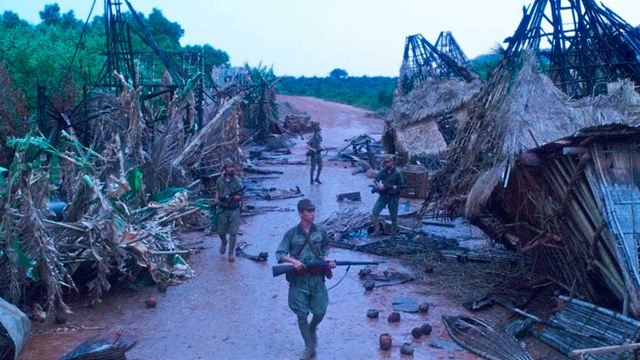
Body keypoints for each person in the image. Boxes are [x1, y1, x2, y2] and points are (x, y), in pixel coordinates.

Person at [276, 199, 336, 360]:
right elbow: (279, 254)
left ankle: (313, 327)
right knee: (301, 314)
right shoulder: (291, 233)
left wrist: (328, 260)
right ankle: (309, 346)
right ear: (301, 213)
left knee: (320, 311)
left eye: (313, 211)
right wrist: (294, 261)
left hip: (317, 278)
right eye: (308, 211)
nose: (312, 214)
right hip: (299, 280)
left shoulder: (321, 231)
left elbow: (325, 249)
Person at [215, 158, 244, 262]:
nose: (232, 169)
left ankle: (231, 253)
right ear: (225, 169)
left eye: (233, 167)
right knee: (220, 231)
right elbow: (218, 190)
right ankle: (223, 242)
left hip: (234, 209)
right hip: (222, 209)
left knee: (233, 233)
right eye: (229, 167)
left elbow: (241, 196)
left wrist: (231, 198)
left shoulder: (238, 181)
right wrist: (217, 199)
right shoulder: (220, 180)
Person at [371, 154, 404, 236]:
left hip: (393, 197)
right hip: (383, 196)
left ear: (392, 162)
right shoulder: (383, 171)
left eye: (388, 162)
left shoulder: (397, 174)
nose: (387, 164)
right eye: (385, 162)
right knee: (375, 211)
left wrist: (396, 188)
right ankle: (377, 230)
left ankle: (393, 234)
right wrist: (379, 186)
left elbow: (402, 186)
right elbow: (375, 180)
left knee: (393, 217)